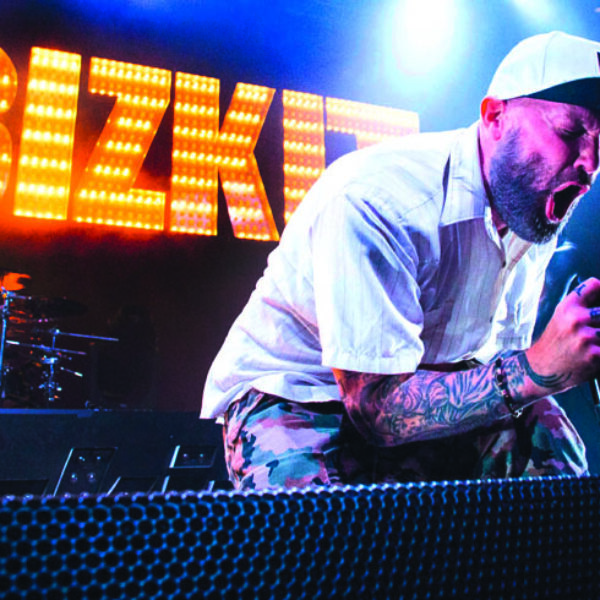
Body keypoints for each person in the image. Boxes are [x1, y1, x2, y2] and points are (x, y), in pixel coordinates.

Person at [201, 31, 600, 490]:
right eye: (569, 132)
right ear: (495, 117)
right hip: (297, 392)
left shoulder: (532, 207)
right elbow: (375, 408)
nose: (590, 163)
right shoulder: (379, 199)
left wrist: (543, 371)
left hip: (417, 387)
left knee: (542, 431)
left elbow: (497, 364)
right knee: (317, 528)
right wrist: (533, 369)